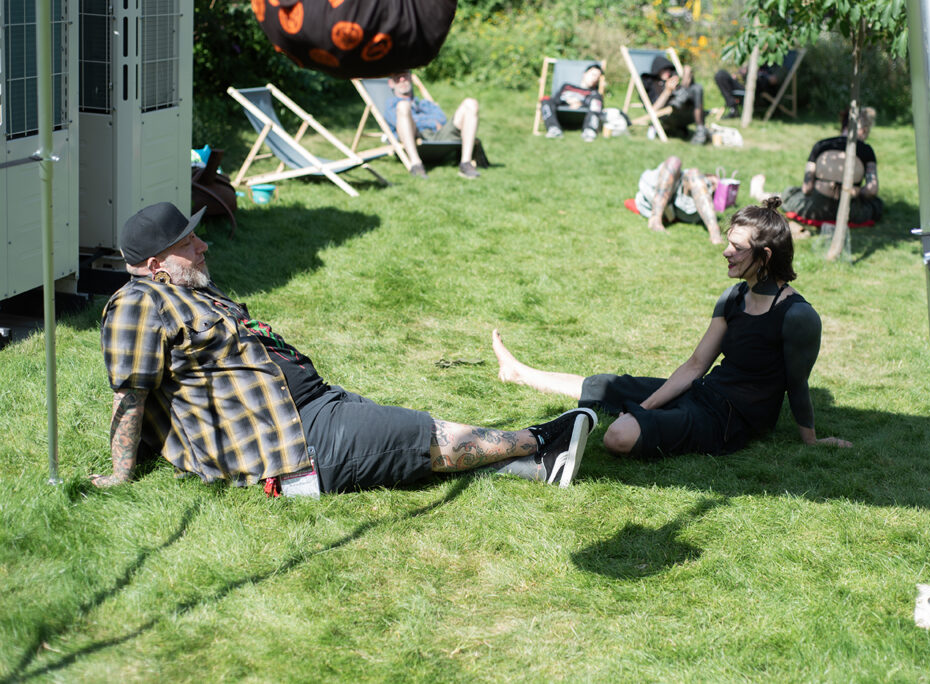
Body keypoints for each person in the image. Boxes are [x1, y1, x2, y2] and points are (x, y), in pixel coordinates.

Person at [90, 203, 596, 494]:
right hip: (290, 444)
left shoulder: (189, 289)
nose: (203, 246)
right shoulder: (137, 304)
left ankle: (540, 467)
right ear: (156, 265)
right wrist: (119, 473)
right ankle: (542, 438)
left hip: (313, 407)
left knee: (408, 440)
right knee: (421, 435)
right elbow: (130, 395)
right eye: (188, 243)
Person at [492, 199, 852, 461]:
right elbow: (696, 365)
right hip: (706, 392)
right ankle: (519, 373)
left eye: (737, 247)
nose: (726, 252)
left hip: (731, 421)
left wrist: (811, 440)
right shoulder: (734, 296)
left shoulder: (797, 315)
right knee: (607, 385)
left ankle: (632, 418)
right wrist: (645, 404)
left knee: (617, 436)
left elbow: (797, 384)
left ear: (766, 256)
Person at [751, 107, 882, 236]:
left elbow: (807, 188)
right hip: (851, 212)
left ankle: (760, 194)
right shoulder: (867, 150)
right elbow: (872, 189)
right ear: (864, 130)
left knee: (789, 193)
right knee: (876, 204)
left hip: (815, 210)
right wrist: (856, 192)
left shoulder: (821, 145)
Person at [383, 70, 485, 179]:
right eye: (397, 77)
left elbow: (442, 119)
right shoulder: (392, 105)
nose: (402, 79)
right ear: (391, 83)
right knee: (403, 106)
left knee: (471, 103)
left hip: (438, 136)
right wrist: (431, 122)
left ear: (411, 78)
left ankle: (466, 163)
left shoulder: (424, 103)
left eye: (405, 76)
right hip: (416, 138)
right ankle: (416, 164)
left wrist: (420, 120)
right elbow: (398, 122)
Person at [623, 156, 722, 243]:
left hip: (685, 209)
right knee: (675, 162)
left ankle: (715, 233)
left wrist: (714, 187)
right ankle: (655, 219)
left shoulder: (697, 181)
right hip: (654, 196)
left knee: (691, 173)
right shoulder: (678, 175)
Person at [641, 55, 708, 144]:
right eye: (664, 69)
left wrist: (686, 76)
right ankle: (700, 130)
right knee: (693, 89)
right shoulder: (652, 84)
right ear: (657, 70)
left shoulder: (672, 80)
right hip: (667, 114)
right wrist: (667, 91)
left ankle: (700, 130)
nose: (668, 72)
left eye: (669, 69)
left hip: (682, 110)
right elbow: (653, 109)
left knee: (697, 87)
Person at [540, 63, 604, 142]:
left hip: (581, 114)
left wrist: (580, 103)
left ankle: (589, 130)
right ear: (585, 74)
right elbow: (556, 100)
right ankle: (553, 129)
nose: (595, 78)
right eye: (593, 75)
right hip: (562, 109)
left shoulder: (593, 93)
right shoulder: (567, 86)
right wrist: (568, 101)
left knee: (596, 101)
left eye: (597, 77)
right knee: (545, 99)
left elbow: (591, 104)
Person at [712, 59, 785, 119]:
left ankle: (735, 110)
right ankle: (733, 109)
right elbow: (742, 72)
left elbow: (774, 80)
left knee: (759, 79)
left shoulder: (779, 64)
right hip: (745, 88)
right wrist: (741, 73)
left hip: (760, 92)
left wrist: (759, 75)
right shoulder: (758, 59)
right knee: (721, 75)